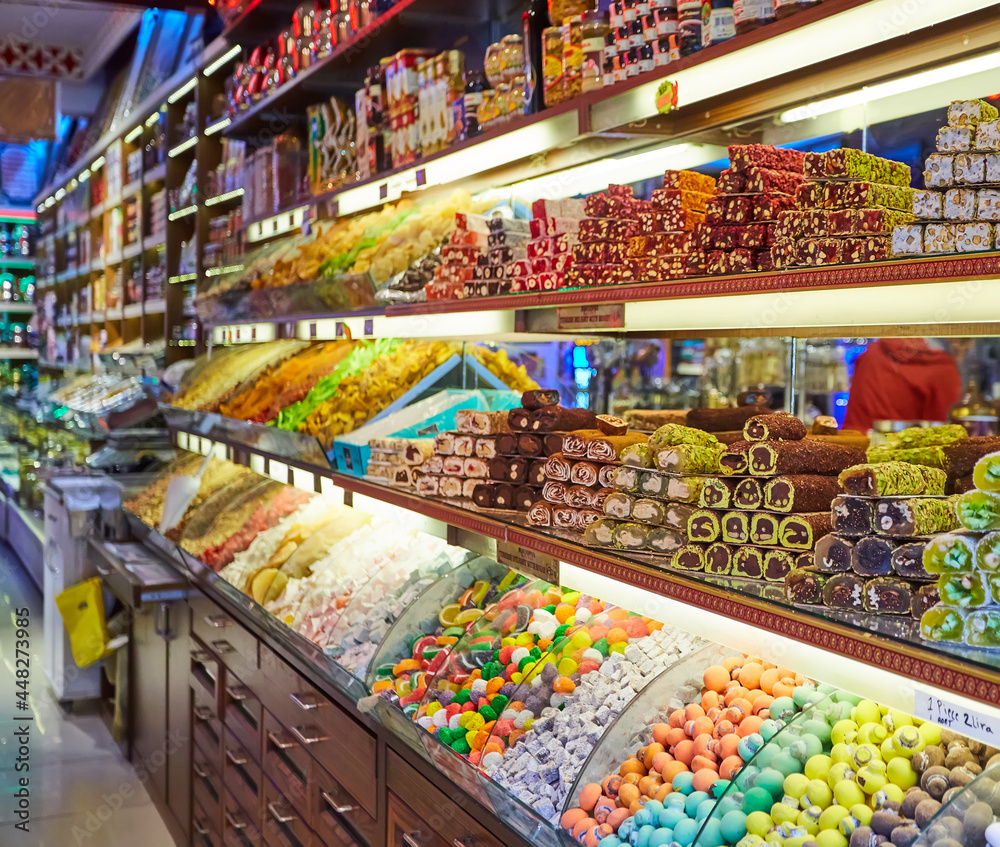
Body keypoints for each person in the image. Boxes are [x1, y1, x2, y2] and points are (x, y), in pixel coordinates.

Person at [842, 338, 962, 433]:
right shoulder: (943, 368)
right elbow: (943, 433)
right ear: (957, 342)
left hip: (854, 446)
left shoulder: (873, 351)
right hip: (899, 454)